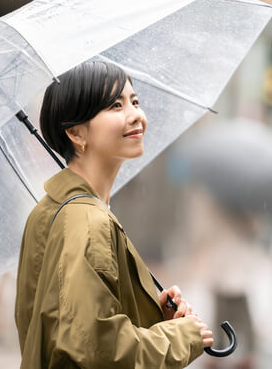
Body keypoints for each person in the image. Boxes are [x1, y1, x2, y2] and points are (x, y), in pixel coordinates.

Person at [14, 60, 213, 368]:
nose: (136, 115)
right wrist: (180, 337)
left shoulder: (49, 210)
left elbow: (53, 332)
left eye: (134, 101)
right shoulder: (89, 222)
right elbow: (94, 347)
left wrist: (154, 319)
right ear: (77, 134)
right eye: (115, 106)